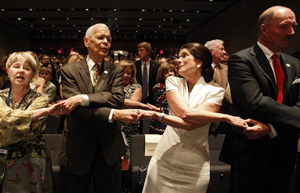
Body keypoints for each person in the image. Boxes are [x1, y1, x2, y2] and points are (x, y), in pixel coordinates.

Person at [137, 43, 247, 193]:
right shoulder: (173, 82)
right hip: (162, 161)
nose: (178, 60)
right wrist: (223, 116)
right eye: (179, 56)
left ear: (199, 62)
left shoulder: (215, 91)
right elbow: (185, 114)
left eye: (184, 56)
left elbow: (189, 124)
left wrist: (158, 115)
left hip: (194, 166)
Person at [219, 6, 300, 193]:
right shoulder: (242, 60)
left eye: (294, 26)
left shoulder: (295, 64)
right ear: (264, 29)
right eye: (284, 27)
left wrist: (272, 128)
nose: (292, 32)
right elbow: (255, 103)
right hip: (251, 153)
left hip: (285, 153)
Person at [56, 23, 138, 193]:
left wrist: (83, 98)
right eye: (100, 37)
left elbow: (117, 98)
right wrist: (113, 114)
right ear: (87, 41)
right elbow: (75, 110)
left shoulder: (116, 70)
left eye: (108, 38)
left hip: (108, 148)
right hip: (77, 147)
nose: (105, 42)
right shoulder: (69, 70)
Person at [0, 52, 66, 193]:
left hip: (31, 160)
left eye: (27, 68)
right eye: (16, 66)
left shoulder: (41, 99)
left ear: (33, 74)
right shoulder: (0, 97)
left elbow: (30, 129)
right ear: (8, 70)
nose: (21, 71)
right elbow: (7, 121)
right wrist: (45, 112)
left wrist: (5, 128)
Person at [205, 39, 232, 133]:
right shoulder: (203, 69)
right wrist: (232, 101)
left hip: (228, 116)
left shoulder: (226, 68)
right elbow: (214, 88)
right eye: (221, 49)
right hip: (211, 117)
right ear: (211, 52)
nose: (224, 52)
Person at [148, 62, 178, 134]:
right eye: (166, 72)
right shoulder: (159, 87)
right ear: (162, 75)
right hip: (161, 125)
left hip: (174, 124)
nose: (170, 74)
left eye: (171, 71)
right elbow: (168, 109)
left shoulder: (179, 87)